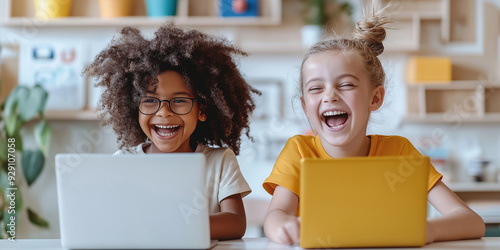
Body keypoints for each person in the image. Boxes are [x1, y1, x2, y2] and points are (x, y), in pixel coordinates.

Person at [262, 2, 485, 245]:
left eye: (346, 84)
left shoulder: (399, 153)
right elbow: (275, 216)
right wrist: (282, 226)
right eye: (316, 88)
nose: (329, 96)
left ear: (375, 97)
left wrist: (425, 230)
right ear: (306, 106)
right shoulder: (299, 151)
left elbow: (471, 221)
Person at [84, 23, 259, 240]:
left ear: (202, 110)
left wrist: (170, 225)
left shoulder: (220, 161)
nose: (164, 113)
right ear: (134, 108)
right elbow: (109, 222)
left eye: (179, 100)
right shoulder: (122, 162)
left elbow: (235, 223)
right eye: (150, 101)